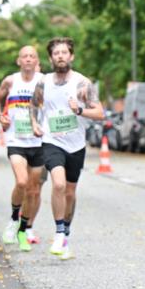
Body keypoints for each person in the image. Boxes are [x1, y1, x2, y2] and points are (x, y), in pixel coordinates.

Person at [30, 37, 104, 261]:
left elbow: (100, 113)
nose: (60, 56)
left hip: (76, 145)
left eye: (64, 52)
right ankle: (59, 231)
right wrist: (35, 123)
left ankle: (66, 233)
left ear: (71, 56)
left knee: (70, 192)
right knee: (58, 184)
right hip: (52, 141)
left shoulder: (82, 83)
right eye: (56, 53)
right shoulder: (43, 82)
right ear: (51, 58)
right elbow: (33, 105)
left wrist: (79, 110)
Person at [0, 45, 45, 252]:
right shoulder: (10, 81)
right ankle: (14, 219)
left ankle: (23, 230)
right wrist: (0, 116)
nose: (29, 59)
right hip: (16, 140)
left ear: (37, 60)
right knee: (22, 182)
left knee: (33, 191)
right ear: (19, 61)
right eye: (25, 56)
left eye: (32, 56)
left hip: (39, 142)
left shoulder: (44, 81)